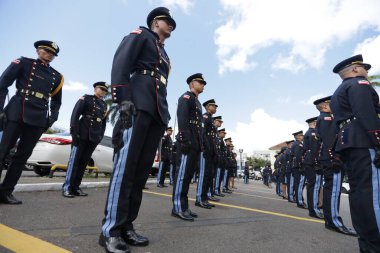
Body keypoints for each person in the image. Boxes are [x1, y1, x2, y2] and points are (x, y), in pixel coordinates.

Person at [99, 7, 176, 253]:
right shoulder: (140, 35)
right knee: (126, 168)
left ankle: (126, 225)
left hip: (156, 110)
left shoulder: (164, 54)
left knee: (141, 171)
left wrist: (164, 114)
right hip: (138, 104)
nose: (171, 25)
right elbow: (121, 63)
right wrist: (123, 99)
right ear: (156, 22)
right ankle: (110, 230)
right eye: (167, 21)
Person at [0, 40, 63, 204]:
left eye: (52, 53)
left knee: (22, 157)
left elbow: (57, 101)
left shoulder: (57, 76)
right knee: (3, 151)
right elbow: (3, 84)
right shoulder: (23, 63)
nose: (49, 54)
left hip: (39, 117)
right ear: (37, 50)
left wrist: (51, 118)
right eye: (46, 51)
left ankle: (6, 192)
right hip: (17, 110)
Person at [330, 54, 379, 250]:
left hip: (349, 142)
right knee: (372, 194)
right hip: (363, 140)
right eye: (364, 68)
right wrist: (378, 141)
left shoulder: (338, 91)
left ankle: (367, 244)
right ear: (356, 69)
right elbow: (366, 113)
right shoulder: (359, 83)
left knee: (359, 194)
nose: (367, 72)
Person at [314, 96, 355, 234]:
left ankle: (330, 221)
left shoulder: (324, 118)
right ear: (325, 107)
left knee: (331, 189)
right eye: (331, 103)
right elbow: (331, 139)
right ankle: (334, 222)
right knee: (334, 190)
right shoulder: (326, 118)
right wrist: (335, 156)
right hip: (333, 158)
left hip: (329, 157)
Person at [62, 82, 108, 198]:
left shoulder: (104, 105)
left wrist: (100, 137)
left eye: (105, 90)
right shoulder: (86, 98)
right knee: (74, 162)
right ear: (95, 89)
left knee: (83, 163)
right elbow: (75, 115)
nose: (103, 92)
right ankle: (67, 187)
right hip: (81, 134)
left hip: (93, 137)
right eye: (101, 89)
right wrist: (74, 132)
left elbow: (103, 123)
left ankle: (76, 187)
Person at [172, 73, 206, 220]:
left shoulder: (197, 102)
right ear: (192, 83)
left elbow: (199, 127)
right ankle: (178, 207)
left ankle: (184, 207)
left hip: (195, 143)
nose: (203, 85)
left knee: (187, 177)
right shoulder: (185, 97)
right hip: (187, 141)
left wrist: (200, 144)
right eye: (201, 82)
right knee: (182, 176)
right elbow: (182, 119)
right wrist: (184, 139)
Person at [196, 99, 218, 208]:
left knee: (208, 175)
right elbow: (202, 133)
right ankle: (199, 199)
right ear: (208, 107)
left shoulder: (210, 119)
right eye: (213, 106)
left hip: (210, 150)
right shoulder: (205, 117)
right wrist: (204, 147)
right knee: (203, 175)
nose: (215, 108)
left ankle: (204, 198)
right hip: (205, 149)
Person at [303, 116, 323, 219]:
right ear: (315, 123)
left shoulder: (308, 133)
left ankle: (313, 209)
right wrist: (317, 162)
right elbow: (315, 149)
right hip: (312, 161)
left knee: (312, 185)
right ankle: (314, 210)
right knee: (314, 186)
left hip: (309, 161)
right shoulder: (313, 133)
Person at [291, 131, 307, 208]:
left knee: (299, 185)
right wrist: (301, 165)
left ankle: (299, 199)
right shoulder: (298, 144)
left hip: (297, 166)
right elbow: (298, 156)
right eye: (301, 135)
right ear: (297, 137)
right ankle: (300, 201)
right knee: (300, 185)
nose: (302, 136)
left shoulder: (297, 144)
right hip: (299, 167)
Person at [214, 128, 227, 196]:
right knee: (218, 177)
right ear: (219, 133)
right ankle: (216, 190)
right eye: (223, 133)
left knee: (220, 177)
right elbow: (218, 151)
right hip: (219, 161)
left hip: (222, 161)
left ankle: (218, 190)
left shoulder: (222, 141)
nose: (224, 134)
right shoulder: (218, 140)